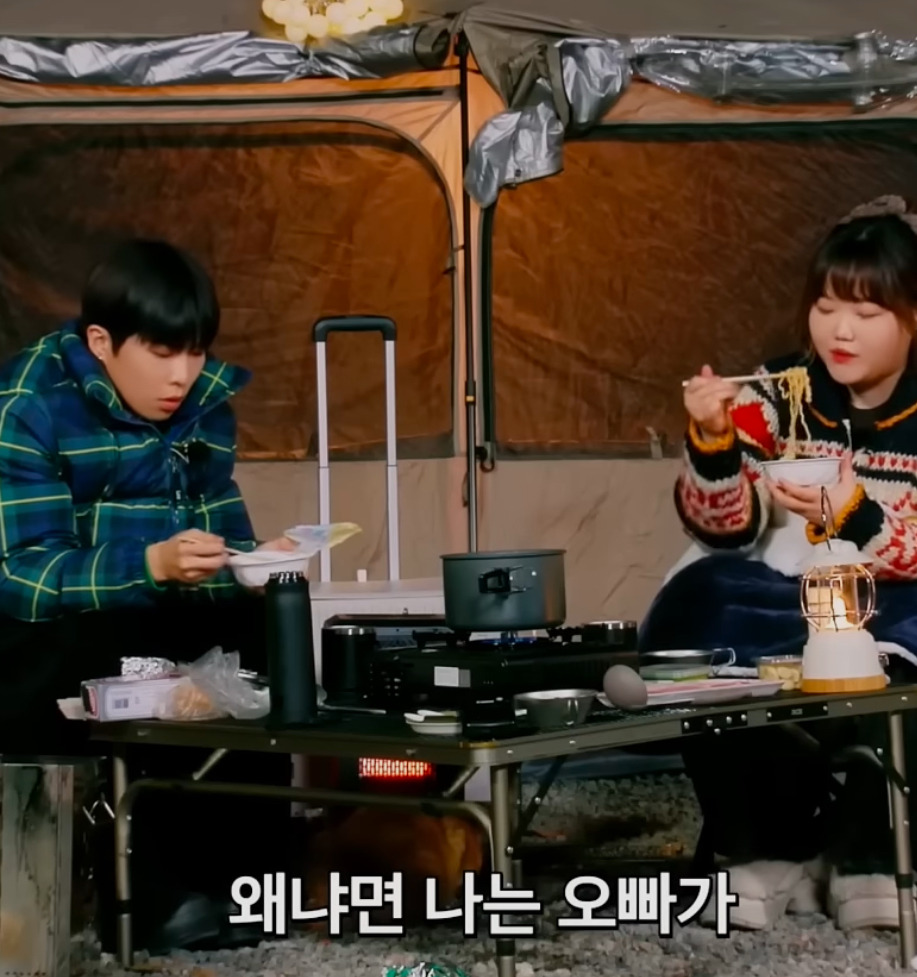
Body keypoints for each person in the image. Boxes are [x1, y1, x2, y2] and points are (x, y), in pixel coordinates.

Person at [0, 239, 297, 952]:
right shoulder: (29, 404)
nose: (182, 375)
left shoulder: (203, 406)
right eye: (162, 353)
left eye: (194, 352)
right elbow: (25, 577)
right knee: (95, 649)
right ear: (101, 342)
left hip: (162, 611)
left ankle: (247, 874)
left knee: (261, 635)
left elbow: (221, 529)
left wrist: (254, 562)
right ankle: (141, 891)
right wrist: (150, 564)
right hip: (52, 627)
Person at [638, 195, 917, 933]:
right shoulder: (780, 389)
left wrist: (850, 508)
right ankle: (769, 837)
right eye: (826, 307)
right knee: (695, 602)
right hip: (792, 594)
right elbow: (725, 527)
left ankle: (869, 839)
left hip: (892, 603)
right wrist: (713, 440)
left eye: (867, 311)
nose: (840, 330)